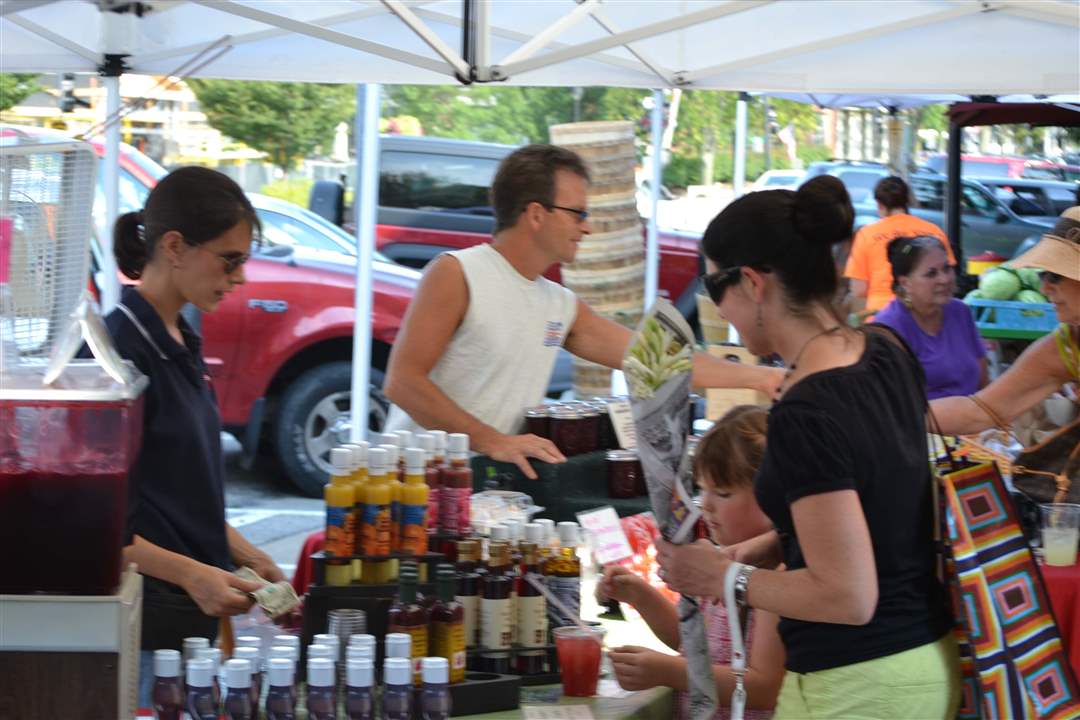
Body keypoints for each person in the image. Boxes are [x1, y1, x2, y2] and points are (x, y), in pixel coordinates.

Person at [655, 185, 959, 719]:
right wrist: (777, 542)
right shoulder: (885, 347)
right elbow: (878, 500)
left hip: (857, 685)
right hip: (925, 659)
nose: (716, 306)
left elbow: (848, 595)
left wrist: (721, 578)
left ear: (751, 282)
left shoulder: (804, 410)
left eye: (713, 285)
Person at [383, 144, 780, 478]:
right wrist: (493, 441)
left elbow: (657, 359)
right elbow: (402, 382)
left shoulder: (558, 303)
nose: (586, 228)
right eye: (578, 214)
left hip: (488, 485)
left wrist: (763, 377)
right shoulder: (457, 272)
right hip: (414, 484)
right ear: (536, 214)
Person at [101, 167, 285, 705]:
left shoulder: (180, 333)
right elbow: (104, 531)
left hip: (187, 620)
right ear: (175, 246)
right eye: (230, 260)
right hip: (148, 621)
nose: (242, 277)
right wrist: (193, 575)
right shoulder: (116, 356)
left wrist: (245, 553)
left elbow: (182, 487)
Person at [599, 406, 784, 719]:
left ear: (773, 497)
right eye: (702, 489)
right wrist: (641, 596)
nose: (706, 505)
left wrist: (671, 672)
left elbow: (765, 687)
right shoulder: (715, 562)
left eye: (722, 493)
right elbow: (694, 642)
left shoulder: (775, 578)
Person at [931, 206, 1080, 434]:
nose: (1044, 287)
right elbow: (980, 411)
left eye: (1054, 275)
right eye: (1043, 274)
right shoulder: (1067, 347)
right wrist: (891, 414)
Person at [875, 235, 988, 399]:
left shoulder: (960, 311)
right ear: (905, 283)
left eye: (947, 268)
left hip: (974, 420)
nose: (945, 279)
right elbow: (893, 405)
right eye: (931, 274)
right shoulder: (889, 329)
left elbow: (983, 381)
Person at [845, 175, 956, 315]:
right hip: (926, 315)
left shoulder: (866, 235)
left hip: (881, 317)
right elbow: (948, 277)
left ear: (880, 205)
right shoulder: (934, 232)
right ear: (907, 200)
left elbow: (858, 289)